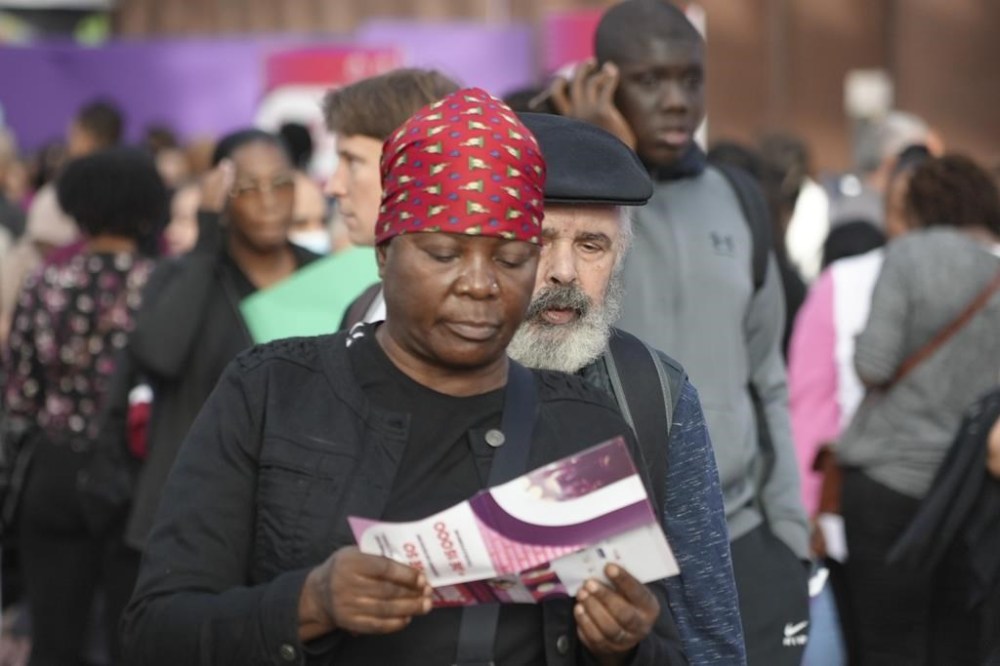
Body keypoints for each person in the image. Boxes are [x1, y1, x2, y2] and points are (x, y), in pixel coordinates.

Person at [122, 87, 684, 665]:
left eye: (512, 259)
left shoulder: (583, 429)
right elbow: (156, 631)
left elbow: (666, 647)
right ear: (385, 253)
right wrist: (307, 604)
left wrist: (624, 645)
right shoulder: (272, 392)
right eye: (444, 255)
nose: (479, 284)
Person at [547, 2, 809, 662]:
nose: (675, 101)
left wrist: (789, 536)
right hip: (605, 543)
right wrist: (603, 153)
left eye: (690, 79)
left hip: (747, 538)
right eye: (650, 80)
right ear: (601, 83)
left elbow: (768, 381)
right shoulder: (564, 211)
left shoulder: (739, 197)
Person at [508, 111, 746, 664]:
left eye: (592, 246)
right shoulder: (431, 372)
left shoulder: (655, 391)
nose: (564, 272)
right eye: (540, 241)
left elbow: (704, 623)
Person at [2, 147, 167, 665]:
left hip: (52, 471)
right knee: (128, 634)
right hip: (133, 476)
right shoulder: (160, 285)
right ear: (147, 209)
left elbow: (19, 393)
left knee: (54, 636)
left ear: (77, 208)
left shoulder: (47, 281)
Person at [836, 154, 1000, 664]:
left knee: (886, 641)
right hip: (964, 489)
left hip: (886, 480)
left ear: (922, 203)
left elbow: (874, 364)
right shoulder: (995, 273)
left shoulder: (907, 256)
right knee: (955, 637)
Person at [124, 129, 319, 552]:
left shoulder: (322, 274)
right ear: (221, 194)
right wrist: (207, 236)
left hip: (295, 514)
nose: (269, 201)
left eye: (281, 183)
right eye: (248, 188)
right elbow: (159, 354)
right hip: (197, 516)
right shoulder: (184, 277)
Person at [323, 68, 459, 324]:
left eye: (352, 161)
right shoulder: (363, 306)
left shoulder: (472, 315)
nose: (334, 186)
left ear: (415, 165)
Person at [1, 100, 123, 345]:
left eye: (74, 135)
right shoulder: (118, 185)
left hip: (42, 320)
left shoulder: (63, 192)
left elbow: (46, 254)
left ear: (87, 137)